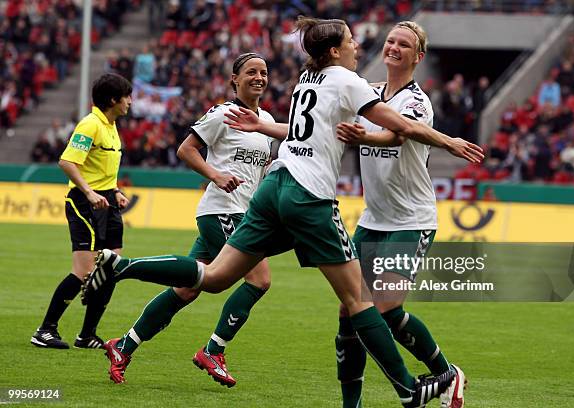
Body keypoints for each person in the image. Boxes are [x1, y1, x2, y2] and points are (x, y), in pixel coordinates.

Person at [83, 17, 483, 407]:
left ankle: (122, 267)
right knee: (359, 305)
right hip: (313, 195)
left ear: (419, 55)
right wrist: (452, 142)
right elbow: (396, 127)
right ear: (334, 50)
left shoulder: (315, 81)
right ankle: (409, 390)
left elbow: (382, 130)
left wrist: (263, 127)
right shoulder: (354, 83)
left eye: (401, 43)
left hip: (285, 187)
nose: (365, 47)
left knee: (218, 276)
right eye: (352, 42)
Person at [99, 53, 279, 387]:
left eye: (264, 72)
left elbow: (260, 168)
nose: (259, 77)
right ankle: (214, 349)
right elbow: (186, 149)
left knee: (186, 289)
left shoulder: (266, 121)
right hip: (223, 210)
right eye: (251, 72)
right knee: (259, 279)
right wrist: (215, 174)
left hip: (245, 213)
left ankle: (124, 345)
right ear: (234, 80)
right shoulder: (222, 113)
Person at [334, 21, 467, 408]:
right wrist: (268, 127)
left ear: (418, 56)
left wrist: (364, 137)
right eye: (391, 40)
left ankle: (446, 372)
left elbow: (398, 134)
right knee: (349, 312)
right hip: (373, 220)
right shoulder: (370, 94)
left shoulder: (417, 102)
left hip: (411, 220)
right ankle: (351, 404)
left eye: (404, 44)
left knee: (386, 307)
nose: (393, 47)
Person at [31, 73, 132, 349]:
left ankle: (87, 334)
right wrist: (89, 192)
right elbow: (66, 162)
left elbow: (102, 170)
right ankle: (45, 330)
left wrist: (116, 192)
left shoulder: (111, 125)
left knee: (111, 267)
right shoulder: (90, 125)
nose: (130, 102)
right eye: (127, 96)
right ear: (114, 100)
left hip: (107, 201)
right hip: (84, 202)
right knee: (84, 270)